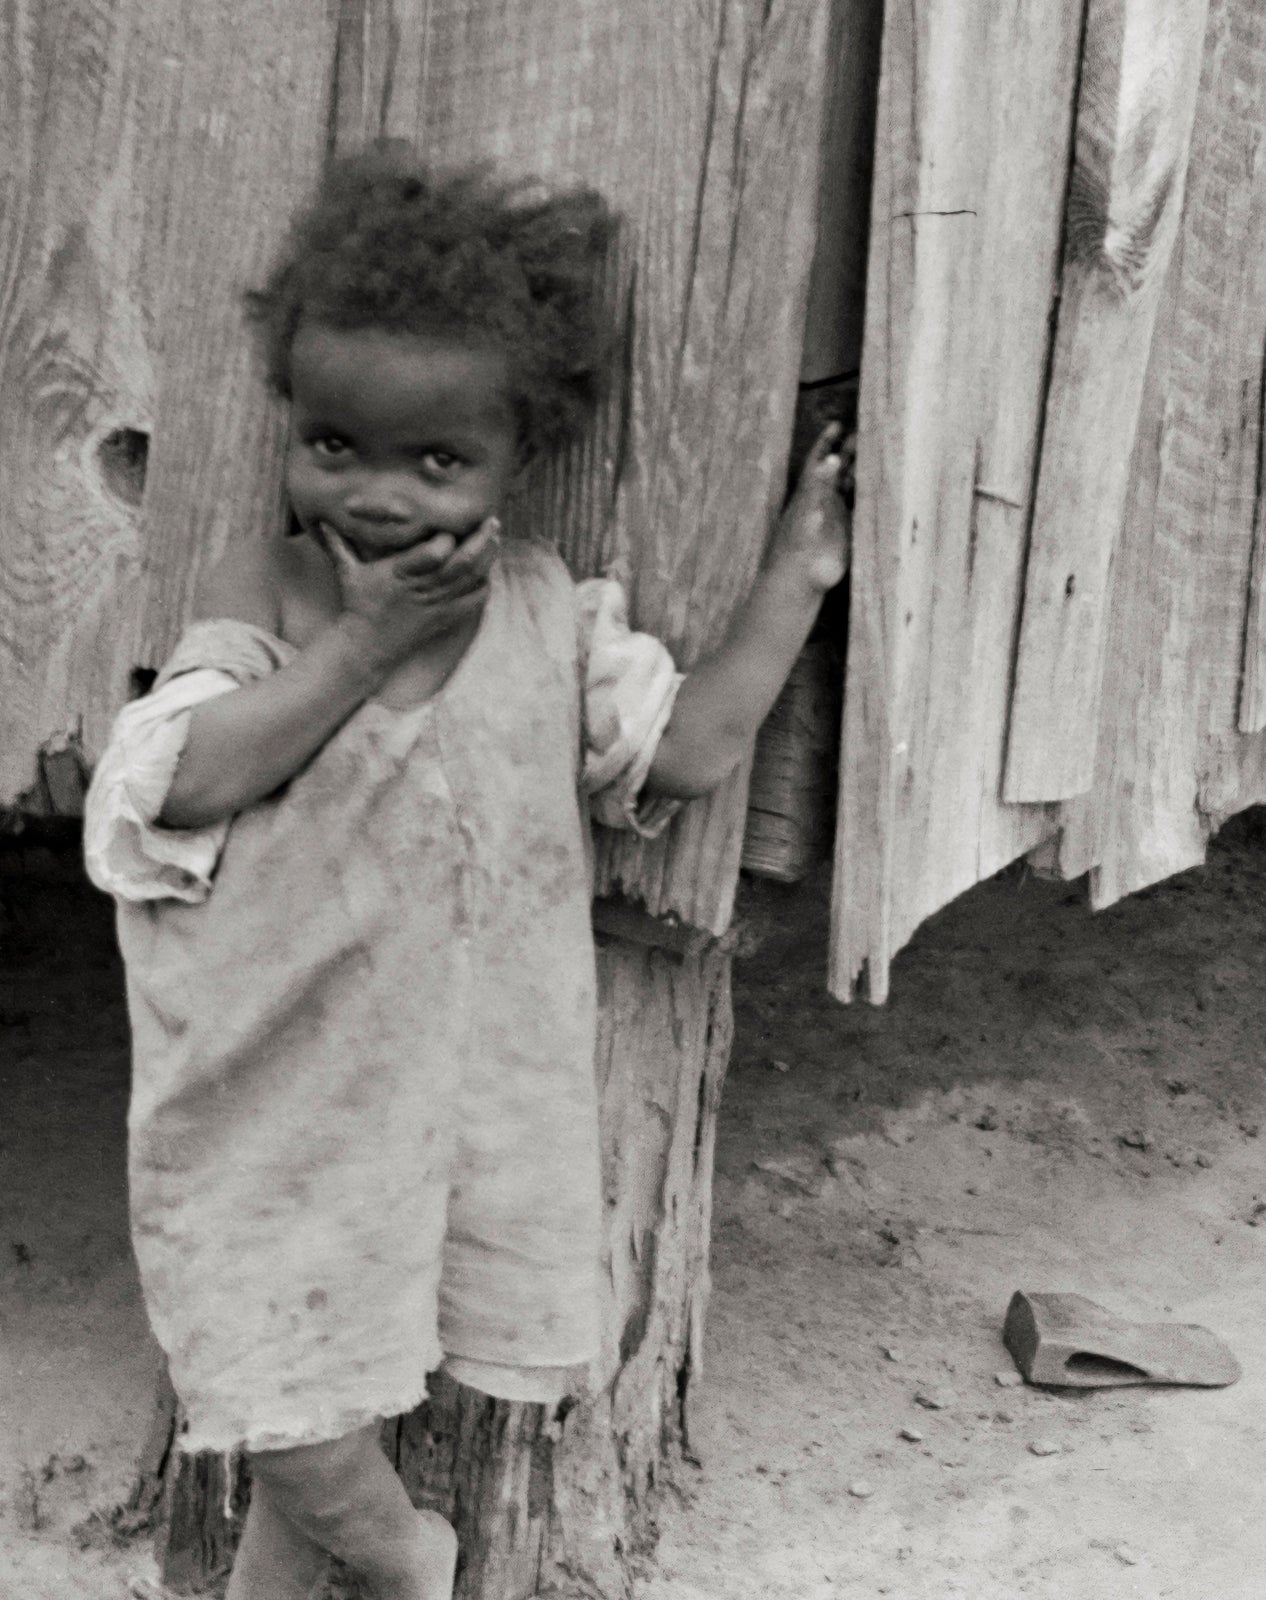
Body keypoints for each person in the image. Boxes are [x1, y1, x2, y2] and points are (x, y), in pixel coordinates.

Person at [83, 143, 851, 1600]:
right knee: (280, 1396)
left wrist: (795, 580)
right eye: (336, 446)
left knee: (345, 1372)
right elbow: (175, 782)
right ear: (291, 424)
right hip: (282, 1093)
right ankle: (411, 1557)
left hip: (462, 1098)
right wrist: (364, 645)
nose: (378, 496)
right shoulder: (269, 594)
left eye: (437, 463)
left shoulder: (548, 615)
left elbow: (688, 750)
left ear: (518, 461)